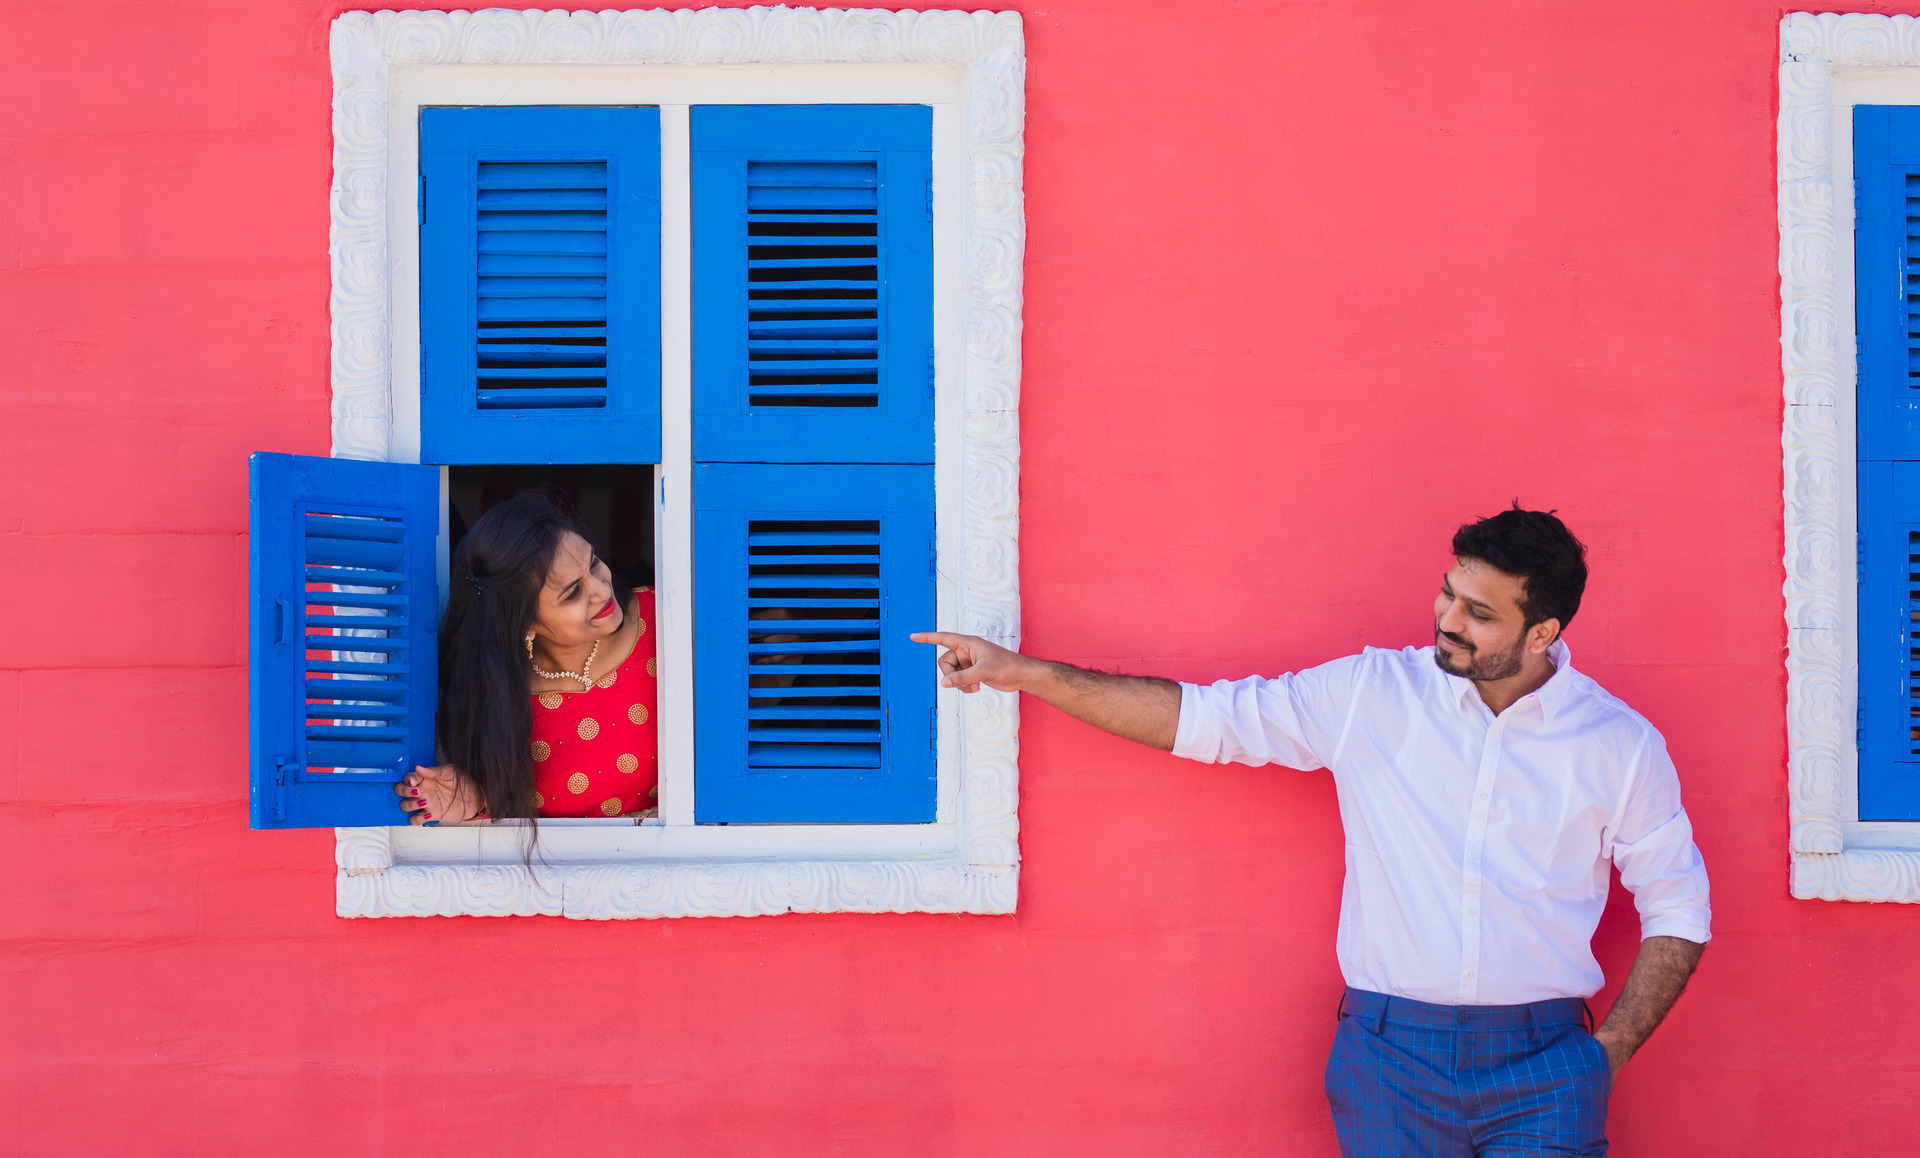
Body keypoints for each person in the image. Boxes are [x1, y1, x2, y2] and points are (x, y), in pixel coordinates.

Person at [914, 505, 1708, 1158]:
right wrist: (1025, 673)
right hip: (1390, 1058)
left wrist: (1602, 1058)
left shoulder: (1618, 744)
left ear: (1542, 633)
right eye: (1448, 595)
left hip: (1544, 1061)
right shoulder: (1373, 692)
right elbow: (1206, 719)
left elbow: (1679, 907)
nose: (1448, 620)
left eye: (1480, 612)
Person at [395, 497, 659, 825]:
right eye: (573, 593)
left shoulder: (665, 624)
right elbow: (512, 810)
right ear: (524, 624)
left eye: (593, 564)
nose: (603, 590)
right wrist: (478, 799)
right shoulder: (499, 702)